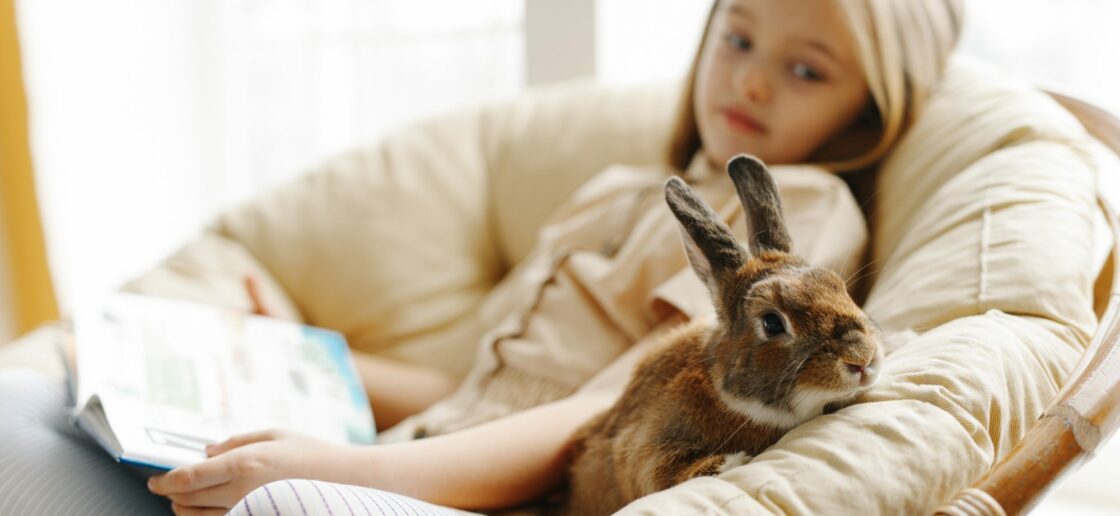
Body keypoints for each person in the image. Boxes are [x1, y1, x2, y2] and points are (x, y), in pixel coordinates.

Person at [141, 0, 969, 514]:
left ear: (868, 110)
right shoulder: (613, 193)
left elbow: (597, 412)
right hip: (407, 450)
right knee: (38, 405)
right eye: (738, 36)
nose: (750, 82)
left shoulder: (801, 226)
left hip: (475, 492)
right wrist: (300, 353)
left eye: (804, 69)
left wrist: (348, 472)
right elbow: (479, 390)